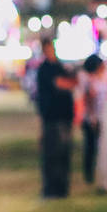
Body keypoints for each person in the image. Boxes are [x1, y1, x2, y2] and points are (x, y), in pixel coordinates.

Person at [36, 38, 77, 198]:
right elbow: (63, 83)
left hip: (64, 116)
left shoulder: (60, 66)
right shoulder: (45, 69)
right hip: (52, 117)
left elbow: (72, 82)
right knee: (52, 154)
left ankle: (61, 188)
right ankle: (51, 188)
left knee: (63, 154)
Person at [79, 54, 107, 184]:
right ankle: (89, 175)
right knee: (91, 147)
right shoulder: (90, 80)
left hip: (100, 117)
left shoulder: (100, 79)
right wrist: (92, 118)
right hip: (92, 119)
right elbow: (88, 100)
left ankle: (95, 173)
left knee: (96, 146)